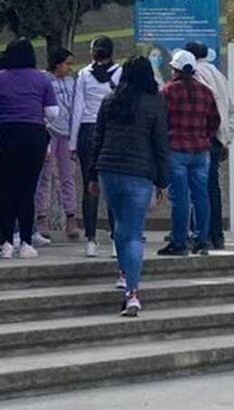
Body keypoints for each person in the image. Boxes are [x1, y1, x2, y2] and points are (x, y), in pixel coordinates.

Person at [91, 56, 169, 317]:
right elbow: (160, 143)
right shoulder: (155, 102)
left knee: (121, 227)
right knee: (134, 232)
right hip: (140, 172)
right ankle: (132, 293)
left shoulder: (110, 100)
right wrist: (162, 181)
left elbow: (97, 139)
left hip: (109, 170)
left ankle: (124, 273)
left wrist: (92, 175)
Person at [0, 38, 58, 259]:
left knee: (6, 189)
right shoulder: (42, 79)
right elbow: (53, 112)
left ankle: (6, 242)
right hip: (34, 135)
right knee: (28, 189)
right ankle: (26, 241)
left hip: (6, 134)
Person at [158, 50, 220, 257]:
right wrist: (205, 137)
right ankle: (202, 240)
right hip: (201, 151)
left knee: (180, 198)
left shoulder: (167, 91)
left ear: (175, 68)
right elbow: (214, 121)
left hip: (176, 149)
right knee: (201, 196)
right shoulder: (206, 92)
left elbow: (160, 122)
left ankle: (179, 242)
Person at [70, 36, 121, 257]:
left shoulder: (83, 75)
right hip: (112, 132)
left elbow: (77, 109)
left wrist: (72, 142)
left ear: (93, 53)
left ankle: (91, 241)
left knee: (89, 186)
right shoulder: (121, 73)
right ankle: (116, 238)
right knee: (113, 186)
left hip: (88, 131)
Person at [186, 41, 234, 250]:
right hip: (217, 138)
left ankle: (200, 234)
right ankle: (217, 236)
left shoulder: (196, 75)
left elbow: (207, 109)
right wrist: (226, 138)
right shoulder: (219, 75)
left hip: (201, 137)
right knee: (211, 188)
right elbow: (231, 110)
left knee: (196, 189)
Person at [36, 47, 81, 241]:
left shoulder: (72, 82)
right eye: (67, 64)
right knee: (45, 176)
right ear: (57, 63)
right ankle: (41, 216)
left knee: (67, 176)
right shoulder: (44, 80)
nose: (69, 68)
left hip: (67, 133)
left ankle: (71, 216)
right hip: (49, 132)